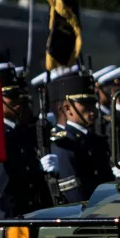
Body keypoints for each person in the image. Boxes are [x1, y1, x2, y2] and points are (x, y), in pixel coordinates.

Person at [43, 70, 112, 203]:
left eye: (93, 103)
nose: (92, 109)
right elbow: (74, 195)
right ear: (68, 109)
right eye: (85, 104)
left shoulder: (97, 140)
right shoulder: (64, 143)